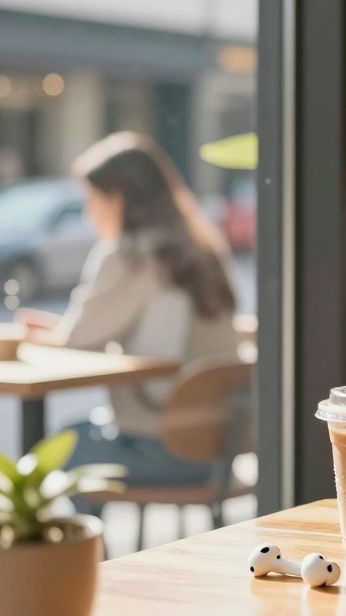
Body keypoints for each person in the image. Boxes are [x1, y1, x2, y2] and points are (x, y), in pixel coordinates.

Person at [19, 131, 240, 487]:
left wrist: (40, 338)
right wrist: (60, 333)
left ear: (118, 200)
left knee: (57, 451)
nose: (89, 213)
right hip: (221, 449)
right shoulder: (203, 248)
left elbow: (77, 339)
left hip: (163, 449)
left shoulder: (130, 255)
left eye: (91, 200)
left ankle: (83, 545)